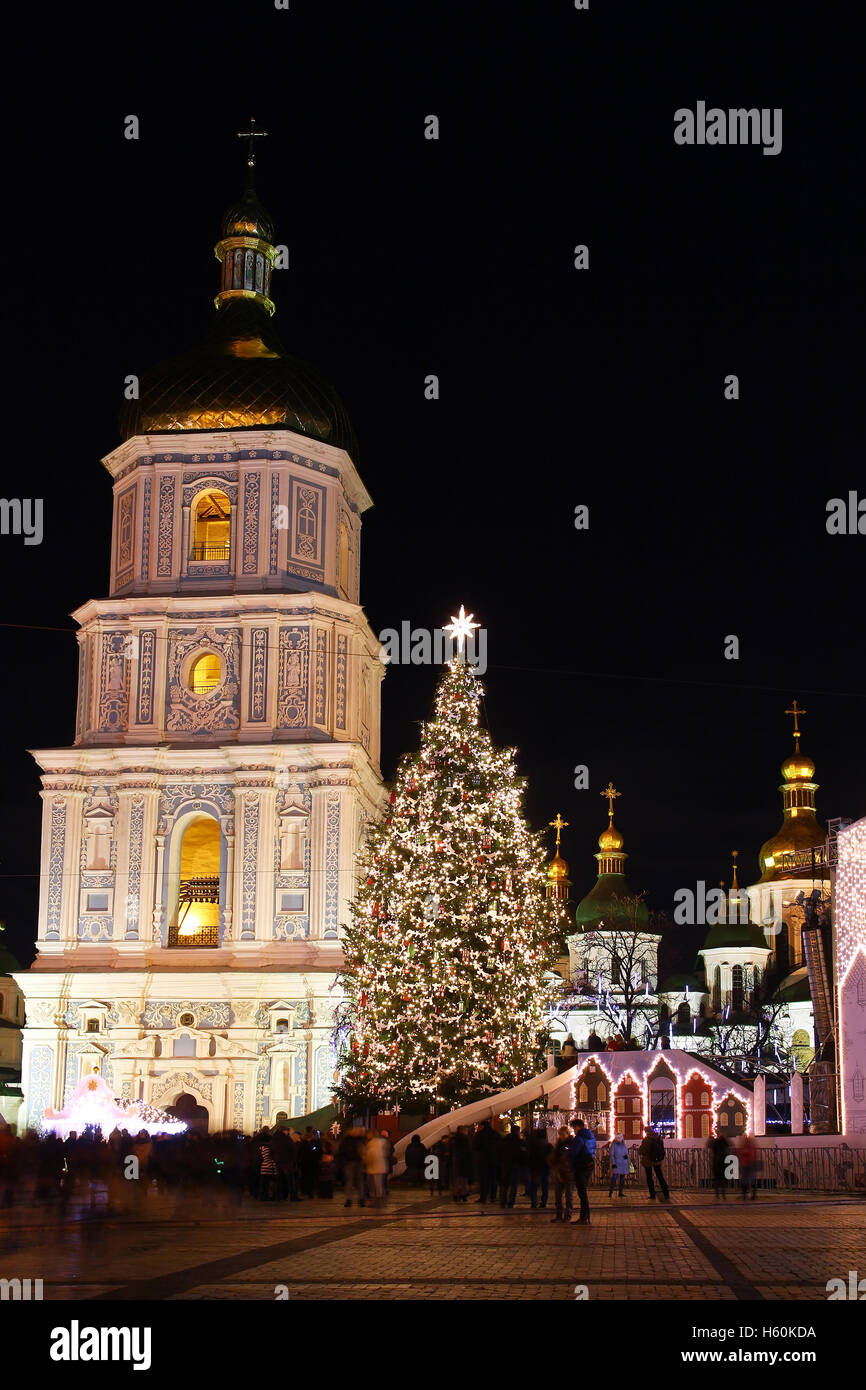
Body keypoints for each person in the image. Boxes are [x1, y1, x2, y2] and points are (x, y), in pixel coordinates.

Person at [569, 1118, 596, 1224]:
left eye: (574, 1128)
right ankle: (585, 1217)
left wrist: (567, 1150)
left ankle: (584, 1217)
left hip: (581, 1166)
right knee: (583, 1192)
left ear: (577, 1127)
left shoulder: (579, 1138)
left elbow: (573, 1153)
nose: (573, 1130)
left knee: (582, 1193)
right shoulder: (591, 1137)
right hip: (589, 1164)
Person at [639, 1123, 670, 1201]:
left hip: (648, 1161)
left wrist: (639, 1150)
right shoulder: (659, 1138)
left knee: (649, 1178)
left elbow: (642, 1151)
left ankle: (652, 1194)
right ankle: (666, 1193)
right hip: (657, 1161)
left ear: (646, 1132)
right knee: (660, 1176)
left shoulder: (646, 1140)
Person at [548, 1126, 574, 1222]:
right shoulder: (558, 1144)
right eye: (560, 1135)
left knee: (568, 1196)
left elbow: (569, 1156)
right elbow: (554, 1156)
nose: (562, 1136)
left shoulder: (571, 1143)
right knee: (558, 1195)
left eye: (563, 1135)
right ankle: (559, 1215)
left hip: (569, 1172)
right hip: (559, 1172)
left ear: (567, 1134)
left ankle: (567, 1215)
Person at [497, 1124, 526, 1209]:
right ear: (517, 1131)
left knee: (505, 1185)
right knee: (513, 1185)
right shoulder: (520, 1142)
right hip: (515, 1164)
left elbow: (499, 1152)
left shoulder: (504, 1141)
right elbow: (523, 1154)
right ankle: (511, 1203)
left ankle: (503, 1202)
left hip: (505, 1164)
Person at [337, 1123, 365, 1207]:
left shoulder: (350, 1139)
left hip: (354, 1162)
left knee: (355, 1181)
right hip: (352, 1162)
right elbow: (342, 1151)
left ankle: (356, 1199)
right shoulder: (352, 1139)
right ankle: (354, 1199)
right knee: (355, 1181)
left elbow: (341, 1151)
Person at [472, 1120, 499, 1204]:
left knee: (484, 1179)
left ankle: (483, 1197)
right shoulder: (495, 1134)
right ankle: (493, 1197)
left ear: (482, 1126)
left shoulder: (480, 1134)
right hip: (494, 1159)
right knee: (493, 1179)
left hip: (483, 1159)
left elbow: (475, 1146)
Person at [526, 1126, 552, 1209]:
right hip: (546, 1168)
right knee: (545, 1187)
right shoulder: (549, 1145)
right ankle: (543, 1202)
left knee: (534, 1187)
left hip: (535, 1169)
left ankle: (534, 1203)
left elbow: (529, 1156)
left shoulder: (532, 1145)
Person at [362, 1129, 390, 1206]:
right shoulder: (382, 1142)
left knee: (375, 1184)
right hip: (381, 1166)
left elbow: (371, 1155)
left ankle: (377, 1201)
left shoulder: (372, 1143)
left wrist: (365, 1158)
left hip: (374, 1167)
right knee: (379, 1184)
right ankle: (380, 1200)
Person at [452, 1125, 473, 1202]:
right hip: (464, 1161)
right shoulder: (465, 1139)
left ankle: (456, 1194)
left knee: (458, 1179)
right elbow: (468, 1151)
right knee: (463, 1179)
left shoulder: (455, 1139)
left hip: (458, 1161)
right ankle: (463, 1194)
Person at [708, 1132, 730, 1201]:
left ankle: (717, 1195)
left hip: (716, 1163)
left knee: (717, 1180)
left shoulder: (715, 1143)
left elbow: (709, 1146)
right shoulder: (725, 1143)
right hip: (723, 1163)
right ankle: (723, 1195)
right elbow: (728, 1148)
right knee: (723, 1180)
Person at [608, 1132, 629, 1199]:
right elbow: (612, 1154)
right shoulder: (613, 1144)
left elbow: (626, 1151)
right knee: (614, 1178)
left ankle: (620, 1192)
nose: (620, 1138)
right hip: (617, 1163)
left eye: (621, 1137)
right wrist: (613, 1163)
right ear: (616, 1138)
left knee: (622, 1179)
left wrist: (626, 1156)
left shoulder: (623, 1143)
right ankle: (611, 1192)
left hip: (623, 1163)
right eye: (618, 1137)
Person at [737, 1133, 759, 1200]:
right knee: (750, 1180)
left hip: (746, 1164)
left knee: (746, 1180)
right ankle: (752, 1195)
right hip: (749, 1164)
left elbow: (741, 1153)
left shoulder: (744, 1147)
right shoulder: (751, 1146)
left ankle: (746, 1195)